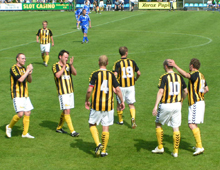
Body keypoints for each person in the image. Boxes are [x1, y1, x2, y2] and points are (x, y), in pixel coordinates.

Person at [85, 55, 125, 157]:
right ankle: (104, 151)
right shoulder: (111, 75)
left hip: (96, 105)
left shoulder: (94, 74)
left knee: (92, 124)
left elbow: (90, 90)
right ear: (107, 63)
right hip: (109, 106)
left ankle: (98, 144)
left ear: (99, 62)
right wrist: (122, 101)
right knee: (105, 127)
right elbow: (118, 90)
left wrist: (86, 100)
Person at [168, 58, 209, 156]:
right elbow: (206, 89)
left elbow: (186, 75)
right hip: (200, 101)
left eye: (189, 65)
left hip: (195, 103)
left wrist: (175, 66)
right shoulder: (201, 75)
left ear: (192, 65)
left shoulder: (195, 74)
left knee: (191, 124)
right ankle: (198, 145)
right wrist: (200, 93)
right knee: (194, 124)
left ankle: (200, 146)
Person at [151, 59, 188, 158]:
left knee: (158, 123)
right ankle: (175, 151)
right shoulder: (179, 76)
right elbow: (186, 91)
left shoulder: (164, 77)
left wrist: (155, 106)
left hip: (166, 105)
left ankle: (160, 147)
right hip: (177, 105)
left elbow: (160, 92)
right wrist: (181, 101)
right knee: (176, 127)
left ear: (166, 67)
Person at [6, 53, 35, 139]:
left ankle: (25, 133)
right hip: (17, 94)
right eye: (22, 58)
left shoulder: (24, 69)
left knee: (28, 112)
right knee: (20, 114)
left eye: (25, 58)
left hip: (25, 94)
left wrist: (29, 73)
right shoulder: (13, 68)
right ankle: (9, 127)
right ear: (17, 59)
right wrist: (27, 71)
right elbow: (20, 79)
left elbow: (29, 81)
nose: (24, 60)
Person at [52, 50, 79, 137]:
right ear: (60, 57)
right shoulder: (55, 66)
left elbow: (75, 73)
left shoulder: (68, 65)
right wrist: (63, 66)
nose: (67, 59)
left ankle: (59, 128)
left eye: (67, 57)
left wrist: (71, 65)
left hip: (70, 91)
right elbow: (57, 75)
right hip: (62, 92)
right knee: (67, 110)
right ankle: (72, 131)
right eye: (65, 57)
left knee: (67, 110)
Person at [112, 46, 141, 129]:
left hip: (121, 87)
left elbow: (115, 75)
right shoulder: (132, 62)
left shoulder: (117, 63)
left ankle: (120, 121)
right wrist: (135, 79)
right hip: (131, 86)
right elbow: (138, 73)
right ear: (126, 53)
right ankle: (133, 118)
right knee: (131, 104)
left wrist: (114, 86)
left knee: (119, 104)